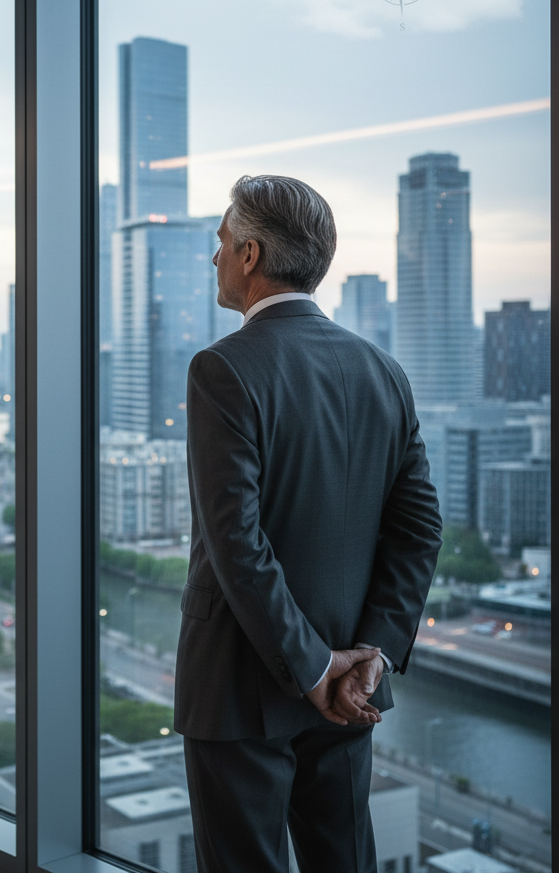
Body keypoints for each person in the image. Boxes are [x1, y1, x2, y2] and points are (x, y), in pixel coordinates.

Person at [174, 175, 442, 873]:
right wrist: (367, 656)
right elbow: (419, 530)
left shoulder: (222, 368)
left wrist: (314, 667)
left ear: (252, 255)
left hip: (241, 685)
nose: (216, 258)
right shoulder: (384, 371)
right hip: (351, 687)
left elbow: (237, 543)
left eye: (223, 243)